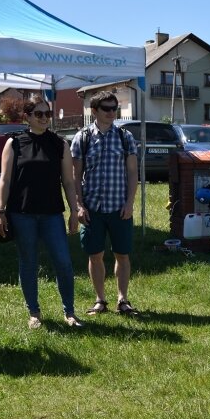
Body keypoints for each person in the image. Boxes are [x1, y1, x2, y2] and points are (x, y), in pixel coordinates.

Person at [0, 95, 82, 329]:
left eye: (48, 114)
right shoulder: (14, 143)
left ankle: (70, 312)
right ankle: (34, 312)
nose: (44, 118)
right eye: (39, 114)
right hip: (21, 213)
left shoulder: (59, 144)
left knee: (63, 262)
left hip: (52, 213)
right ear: (28, 117)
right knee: (28, 263)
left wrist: (75, 211)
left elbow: (68, 181)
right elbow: (5, 180)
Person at [71, 91, 138, 315]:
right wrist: (79, 206)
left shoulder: (124, 137)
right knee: (95, 255)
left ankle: (123, 299)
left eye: (114, 108)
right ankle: (100, 300)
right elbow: (75, 176)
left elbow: (132, 173)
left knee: (122, 254)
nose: (111, 112)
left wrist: (130, 203)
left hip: (119, 207)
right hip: (92, 209)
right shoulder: (83, 137)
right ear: (94, 111)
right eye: (106, 108)